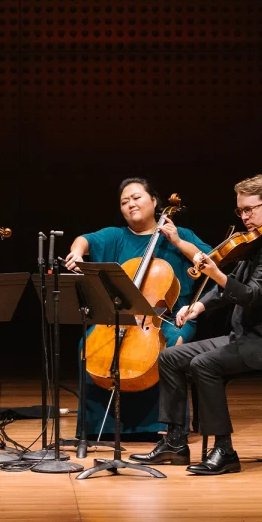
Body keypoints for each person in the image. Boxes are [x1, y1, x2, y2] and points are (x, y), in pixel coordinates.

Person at [130, 174, 262, 475]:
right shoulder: (260, 239)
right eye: (240, 211)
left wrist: (218, 274)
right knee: (170, 356)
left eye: (250, 209)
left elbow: (253, 296)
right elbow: (230, 288)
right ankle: (174, 442)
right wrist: (198, 306)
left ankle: (224, 451)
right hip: (244, 337)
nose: (244, 217)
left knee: (203, 365)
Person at [63, 178, 212, 440]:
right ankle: (99, 427)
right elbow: (84, 240)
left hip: (172, 317)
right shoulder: (116, 236)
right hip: (122, 317)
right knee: (87, 347)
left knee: (170, 348)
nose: (130, 204)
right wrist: (76, 252)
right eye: (124, 201)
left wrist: (177, 241)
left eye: (137, 197)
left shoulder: (182, 234)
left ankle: (166, 424)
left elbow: (210, 262)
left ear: (155, 201)